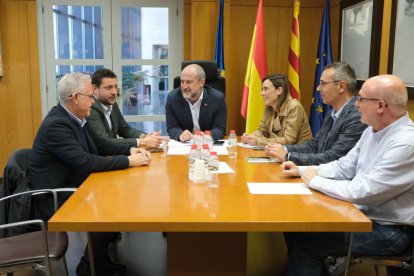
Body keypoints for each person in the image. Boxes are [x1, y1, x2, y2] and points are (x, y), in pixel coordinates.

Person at [281, 74, 414, 276]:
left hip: (390, 230)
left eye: (361, 99)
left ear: (380, 106)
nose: (356, 105)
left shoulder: (406, 143)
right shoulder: (373, 130)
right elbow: (345, 166)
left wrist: (315, 180)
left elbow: (362, 191)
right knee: (296, 227)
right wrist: (301, 170)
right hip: (363, 215)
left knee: (308, 241)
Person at [28, 73, 151, 276]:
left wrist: (130, 151)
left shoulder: (77, 118)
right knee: (107, 201)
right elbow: (85, 162)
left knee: (114, 194)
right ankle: (89, 266)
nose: (93, 101)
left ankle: (99, 260)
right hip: (55, 194)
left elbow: (100, 146)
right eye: (89, 96)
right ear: (75, 98)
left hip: (74, 181)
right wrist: (129, 161)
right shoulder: (57, 124)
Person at [265, 62, 367, 165]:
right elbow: (315, 145)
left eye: (323, 83)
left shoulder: (356, 116)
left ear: (341, 86)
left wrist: (288, 156)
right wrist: (284, 148)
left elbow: (333, 158)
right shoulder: (331, 113)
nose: (318, 88)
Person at [88, 68, 163, 151]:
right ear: (94, 89)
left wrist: (145, 137)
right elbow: (105, 142)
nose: (114, 92)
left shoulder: (111, 103)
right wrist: (142, 142)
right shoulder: (90, 108)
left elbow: (125, 129)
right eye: (108, 88)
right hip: (100, 160)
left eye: (115, 87)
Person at [241, 74, 312, 146]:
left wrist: (258, 141)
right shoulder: (269, 106)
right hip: (279, 152)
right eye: (262, 89)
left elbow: (289, 140)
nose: (262, 93)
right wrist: (250, 137)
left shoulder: (294, 106)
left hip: (299, 153)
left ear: (279, 90)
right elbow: (262, 131)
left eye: (266, 89)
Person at [165, 64, 227, 141]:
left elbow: (220, 128)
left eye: (189, 82)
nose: (184, 87)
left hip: (208, 144)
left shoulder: (218, 99)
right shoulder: (172, 98)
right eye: (182, 82)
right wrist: (179, 133)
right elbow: (172, 127)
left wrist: (207, 135)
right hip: (184, 144)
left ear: (201, 82)